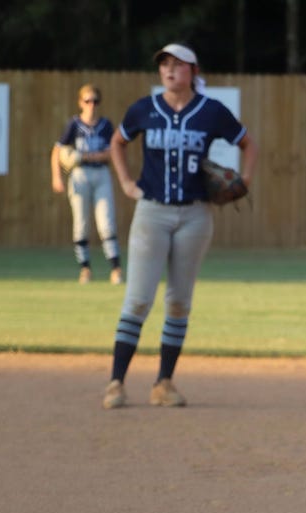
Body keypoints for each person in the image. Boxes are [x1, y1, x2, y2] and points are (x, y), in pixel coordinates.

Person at [102, 42, 257, 409]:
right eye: (164, 65)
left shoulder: (211, 112)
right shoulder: (144, 109)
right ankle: (115, 383)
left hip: (195, 214)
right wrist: (126, 183)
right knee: (138, 299)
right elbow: (117, 142)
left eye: (178, 65)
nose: (170, 71)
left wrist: (246, 181)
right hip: (152, 212)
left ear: (193, 71)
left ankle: (164, 383)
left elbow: (248, 143)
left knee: (178, 302)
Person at [50, 84, 123, 285]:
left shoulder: (105, 125)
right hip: (79, 175)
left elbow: (112, 152)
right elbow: (58, 151)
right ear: (80, 102)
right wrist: (57, 176)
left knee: (106, 223)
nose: (91, 105)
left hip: (100, 173)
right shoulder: (74, 124)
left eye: (95, 101)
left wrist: (84, 156)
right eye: (87, 100)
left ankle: (116, 269)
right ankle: (85, 269)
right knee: (81, 225)